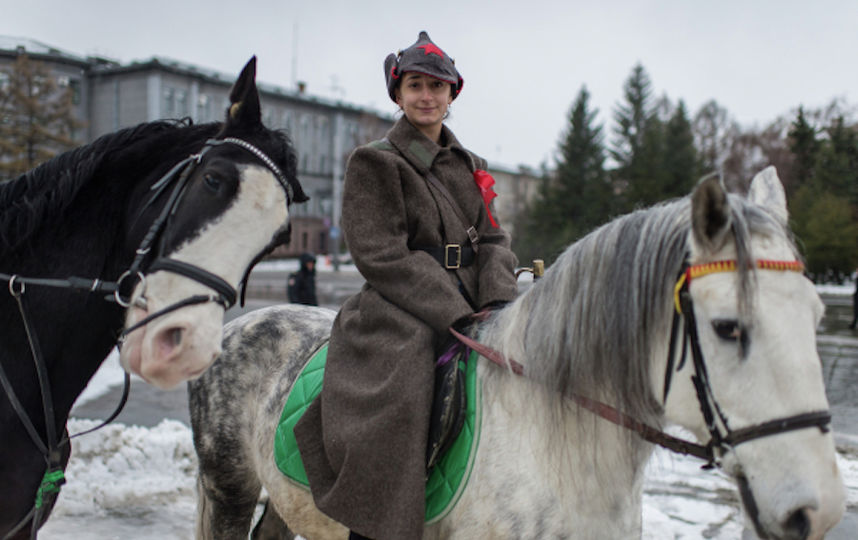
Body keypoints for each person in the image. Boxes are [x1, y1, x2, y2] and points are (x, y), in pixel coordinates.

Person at [294, 31, 518, 540]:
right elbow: (382, 253)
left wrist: (498, 303)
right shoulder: (376, 161)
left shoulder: (471, 166)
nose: (427, 96)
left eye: (437, 87)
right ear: (398, 93)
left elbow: (493, 240)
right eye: (415, 85)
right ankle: (377, 521)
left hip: (475, 300)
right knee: (405, 376)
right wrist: (454, 311)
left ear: (452, 95)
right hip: (402, 305)